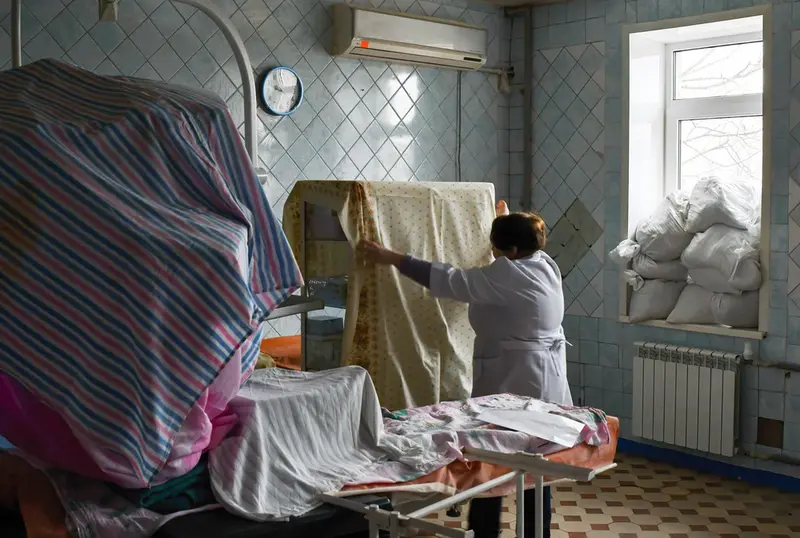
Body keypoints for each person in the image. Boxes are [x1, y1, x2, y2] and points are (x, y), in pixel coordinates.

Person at [357, 204, 571, 538]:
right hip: (540, 376)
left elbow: (452, 280)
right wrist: (508, 218)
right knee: (533, 464)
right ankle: (530, 532)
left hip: (517, 378)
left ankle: (486, 532)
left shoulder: (509, 274)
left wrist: (391, 257)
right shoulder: (543, 263)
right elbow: (513, 255)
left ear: (511, 251)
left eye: (497, 247)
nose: (492, 252)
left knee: (494, 458)